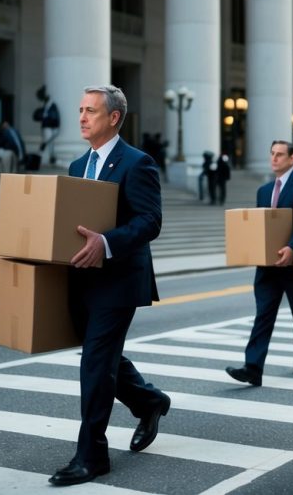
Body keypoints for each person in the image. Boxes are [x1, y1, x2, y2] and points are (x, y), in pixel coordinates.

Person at [48, 85, 170, 487]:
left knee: (96, 363)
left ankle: (92, 456)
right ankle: (150, 400)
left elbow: (150, 221)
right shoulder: (76, 165)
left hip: (119, 281)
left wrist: (107, 242)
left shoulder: (138, 163)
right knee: (104, 357)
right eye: (80, 109)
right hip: (83, 279)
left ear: (114, 118)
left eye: (91, 111)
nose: (82, 117)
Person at [226, 140, 293, 386]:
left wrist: (292, 247)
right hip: (267, 267)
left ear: (292, 158)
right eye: (272, 154)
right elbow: (260, 225)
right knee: (263, 315)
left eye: (280, 155)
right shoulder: (264, 190)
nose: (274, 158)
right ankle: (253, 368)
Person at [33, 85, 61, 167]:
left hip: (50, 127)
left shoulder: (51, 105)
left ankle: (44, 156)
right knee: (49, 143)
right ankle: (50, 158)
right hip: (47, 127)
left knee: (47, 142)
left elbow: (53, 117)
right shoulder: (46, 106)